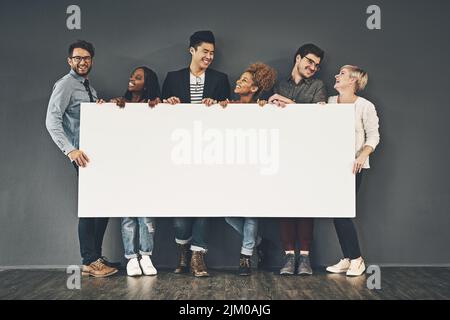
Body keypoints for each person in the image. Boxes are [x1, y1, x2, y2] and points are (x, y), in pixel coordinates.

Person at [45, 40, 117, 277]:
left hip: (95, 156)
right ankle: (89, 259)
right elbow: (52, 120)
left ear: (92, 61)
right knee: (90, 207)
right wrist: (70, 150)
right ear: (69, 61)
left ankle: (94, 256)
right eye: (77, 58)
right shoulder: (65, 84)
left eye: (86, 58)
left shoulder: (87, 87)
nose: (82, 62)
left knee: (101, 206)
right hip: (82, 156)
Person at [162, 30, 231, 277]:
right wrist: (166, 104)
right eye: (205, 51)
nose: (209, 57)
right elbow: (160, 119)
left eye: (212, 53)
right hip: (179, 152)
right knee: (181, 211)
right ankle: (183, 250)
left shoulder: (221, 79)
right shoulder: (172, 78)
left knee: (205, 205)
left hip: (209, 152)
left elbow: (229, 117)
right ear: (192, 50)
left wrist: (222, 105)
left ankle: (198, 256)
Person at [267, 43, 328, 276]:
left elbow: (316, 119)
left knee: (305, 206)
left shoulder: (318, 86)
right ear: (298, 58)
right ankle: (288, 256)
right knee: (284, 205)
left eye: (317, 65)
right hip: (280, 151)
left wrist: (289, 105)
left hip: (308, 153)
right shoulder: (278, 85)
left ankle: (304, 259)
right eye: (309, 61)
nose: (313, 67)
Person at [220, 62, 277, 275]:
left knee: (251, 213)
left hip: (255, 167)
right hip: (232, 168)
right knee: (228, 214)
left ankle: (245, 257)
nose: (238, 81)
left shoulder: (261, 108)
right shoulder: (228, 106)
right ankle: (260, 242)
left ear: (254, 89)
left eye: (244, 80)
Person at [325, 65, 380, 276]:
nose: (337, 76)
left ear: (353, 81)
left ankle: (357, 259)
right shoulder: (330, 102)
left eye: (342, 74)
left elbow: (374, 136)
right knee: (336, 212)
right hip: (330, 167)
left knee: (342, 213)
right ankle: (348, 258)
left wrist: (362, 155)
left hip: (353, 167)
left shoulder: (365, 106)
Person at [109, 66, 161, 277]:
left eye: (137, 78)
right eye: (131, 76)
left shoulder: (155, 105)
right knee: (128, 215)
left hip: (148, 168)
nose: (131, 79)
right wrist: (109, 107)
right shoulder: (121, 103)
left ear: (146, 84)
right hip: (125, 168)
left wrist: (161, 106)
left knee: (147, 215)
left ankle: (146, 255)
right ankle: (131, 258)